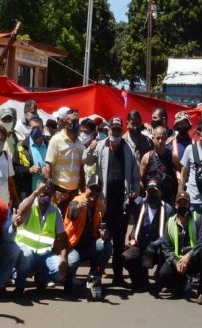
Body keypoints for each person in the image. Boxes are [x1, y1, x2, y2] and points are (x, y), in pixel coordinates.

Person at [94, 116, 141, 286]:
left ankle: (118, 277)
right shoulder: (100, 147)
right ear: (108, 130)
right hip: (104, 203)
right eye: (113, 129)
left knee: (120, 242)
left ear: (122, 131)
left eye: (118, 130)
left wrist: (135, 191)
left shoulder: (128, 149)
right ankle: (97, 276)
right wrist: (90, 146)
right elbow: (87, 162)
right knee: (103, 240)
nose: (116, 133)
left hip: (122, 203)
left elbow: (136, 175)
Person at [153, 192, 202, 305]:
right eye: (180, 203)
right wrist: (176, 263)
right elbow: (166, 247)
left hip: (193, 259)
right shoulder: (170, 222)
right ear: (176, 205)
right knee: (163, 275)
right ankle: (179, 284)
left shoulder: (197, 218)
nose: (183, 206)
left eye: (185, 203)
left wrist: (189, 255)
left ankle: (201, 293)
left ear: (190, 205)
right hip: (178, 261)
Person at [12, 179, 68, 295]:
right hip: (26, 252)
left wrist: (63, 258)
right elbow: (20, 211)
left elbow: (62, 238)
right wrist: (36, 192)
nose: (45, 195)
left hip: (44, 255)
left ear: (52, 194)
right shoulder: (29, 204)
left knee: (59, 270)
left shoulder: (55, 211)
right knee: (25, 255)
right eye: (42, 192)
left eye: (48, 193)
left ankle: (41, 279)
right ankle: (20, 285)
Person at [63, 175, 112, 293]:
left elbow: (105, 227)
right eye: (92, 189)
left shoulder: (101, 206)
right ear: (86, 188)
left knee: (107, 245)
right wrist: (79, 208)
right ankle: (68, 281)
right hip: (74, 246)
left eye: (97, 190)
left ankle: (94, 278)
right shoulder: (77, 201)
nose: (94, 192)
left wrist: (105, 234)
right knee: (72, 261)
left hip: (90, 246)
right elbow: (71, 213)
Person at [123, 179, 172, 292]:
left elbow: (169, 234)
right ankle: (138, 280)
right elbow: (126, 208)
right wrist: (129, 202)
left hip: (157, 248)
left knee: (167, 252)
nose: (152, 194)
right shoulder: (140, 203)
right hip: (140, 245)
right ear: (146, 192)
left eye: (155, 192)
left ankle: (162, 280)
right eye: (150, 192)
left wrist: (155, 244)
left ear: (160, 192)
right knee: (127, 256)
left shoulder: (168, 209)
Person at [43, 108, 85, 213]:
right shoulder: (56, 140)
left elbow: (81, 170)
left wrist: (83, 193)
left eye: (77, 121)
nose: (76, 124)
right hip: (59, 194)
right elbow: (48, 168)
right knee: (57, 226)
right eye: (73, 122)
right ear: (65, 123)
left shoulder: (80, 143)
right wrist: (51, 192)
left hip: (74, 195)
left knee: (71, 226)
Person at [13, 115, 49, 201]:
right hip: (28, 193)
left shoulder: (49, 145)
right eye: (33, 128)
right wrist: (28, 170)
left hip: (46, 192)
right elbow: (14, 169)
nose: (35, 130)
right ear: (29, 128)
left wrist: (48, 169)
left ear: (43, 128)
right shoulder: (21, 146)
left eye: (38, 128)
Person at [142, 125, 179, 206]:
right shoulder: (147, 157)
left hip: (168, 201)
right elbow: (141, 180)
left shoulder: (172, 156)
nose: (160, 141)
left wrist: (178, 195)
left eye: (162, 138)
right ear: (153, 139)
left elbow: (182, 171)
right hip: (151, 201)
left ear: (166, 139)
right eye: (158, 138)